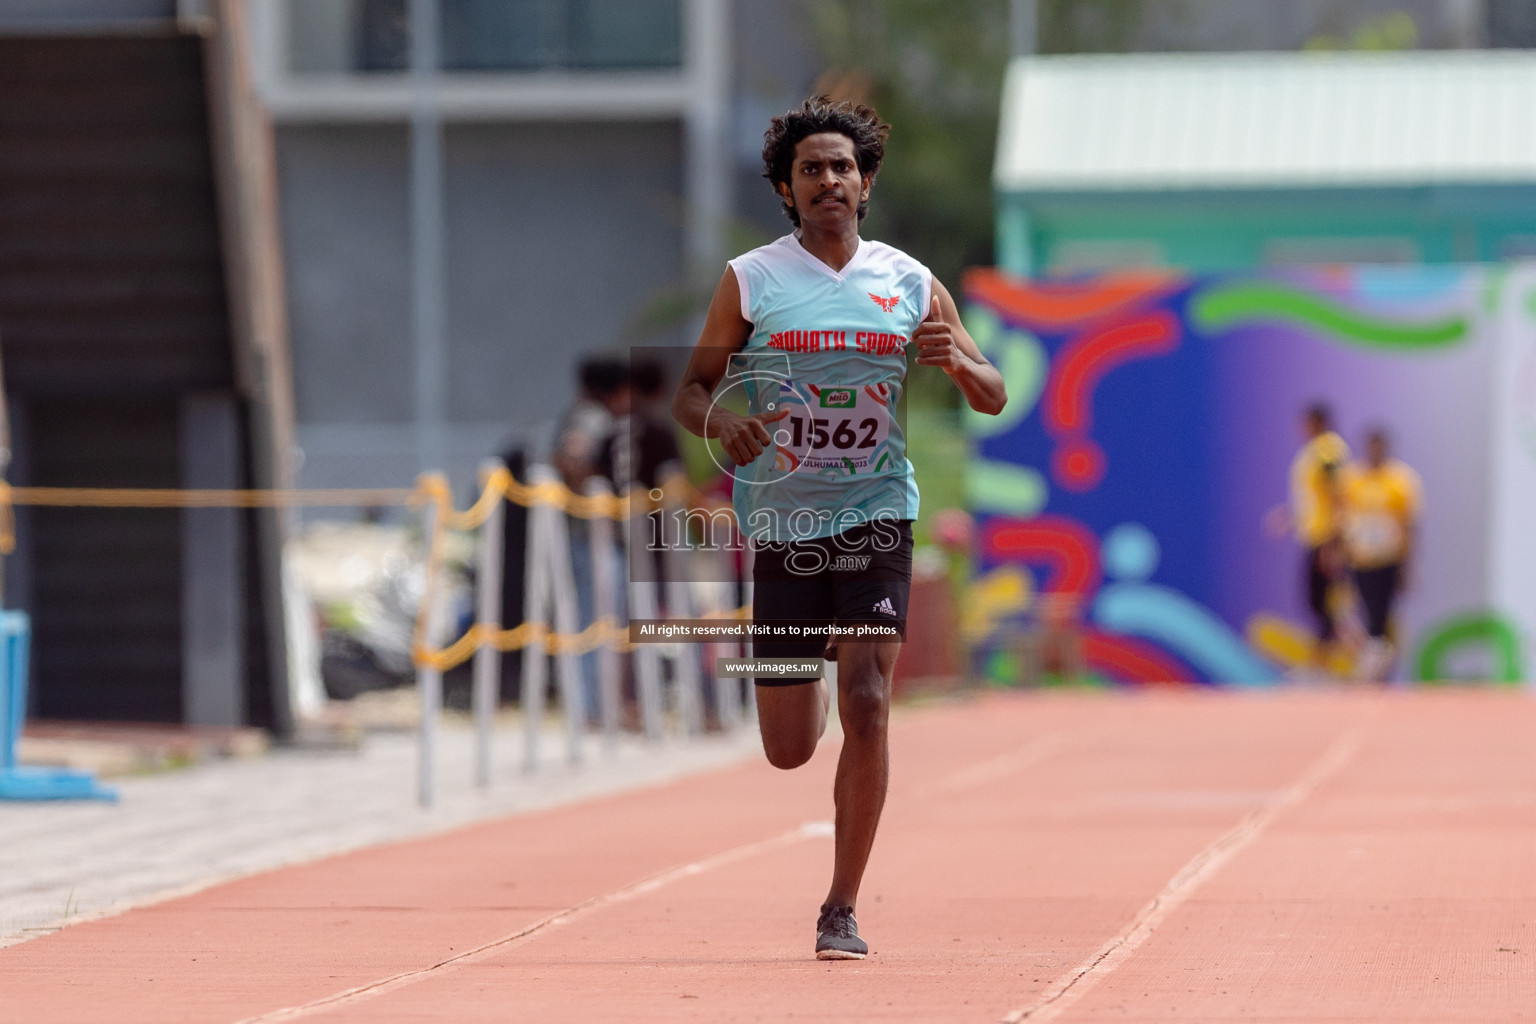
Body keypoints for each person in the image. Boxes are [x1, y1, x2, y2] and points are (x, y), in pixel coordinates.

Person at [671, 96, 1006, 960]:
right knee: (788, 749)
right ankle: (804, 675)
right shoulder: (753, 279)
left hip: (875, 514)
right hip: (784, 524)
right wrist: (723, 425)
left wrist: (961, 364)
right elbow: (692, 389)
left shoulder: (907, 279)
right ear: (788, 190)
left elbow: (993, 390)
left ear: (865, 184)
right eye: (812, 169)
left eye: (843, 167)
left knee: (870, 698)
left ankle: (841, 908)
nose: (830, 180)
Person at [1268, 402, 1350, 676]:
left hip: (1325, 538)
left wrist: (1333, 543)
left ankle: (1324, 663)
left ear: (1316, 422)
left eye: (1306, 423)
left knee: (1320, 602)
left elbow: (1338, 495)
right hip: (1313, 535)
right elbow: (1314, 498)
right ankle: (1353, 649)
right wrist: (1291, 516)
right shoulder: (1314, 452)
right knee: (1316, 602)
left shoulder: (1328, 451)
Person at [1340, 428, 1421, 682]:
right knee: (1359, 611)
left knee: (1381, 613)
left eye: (1379, 447)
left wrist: (1407, 564)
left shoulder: (1401, 480)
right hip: (1360, 557)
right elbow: (1342, 518)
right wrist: (1338, 551)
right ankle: (1373, 658)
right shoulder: (1353, 478)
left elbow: (1409, 525)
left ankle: (1377, 668)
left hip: (1387, 558)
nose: (1375, 452)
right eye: (1371, 447)